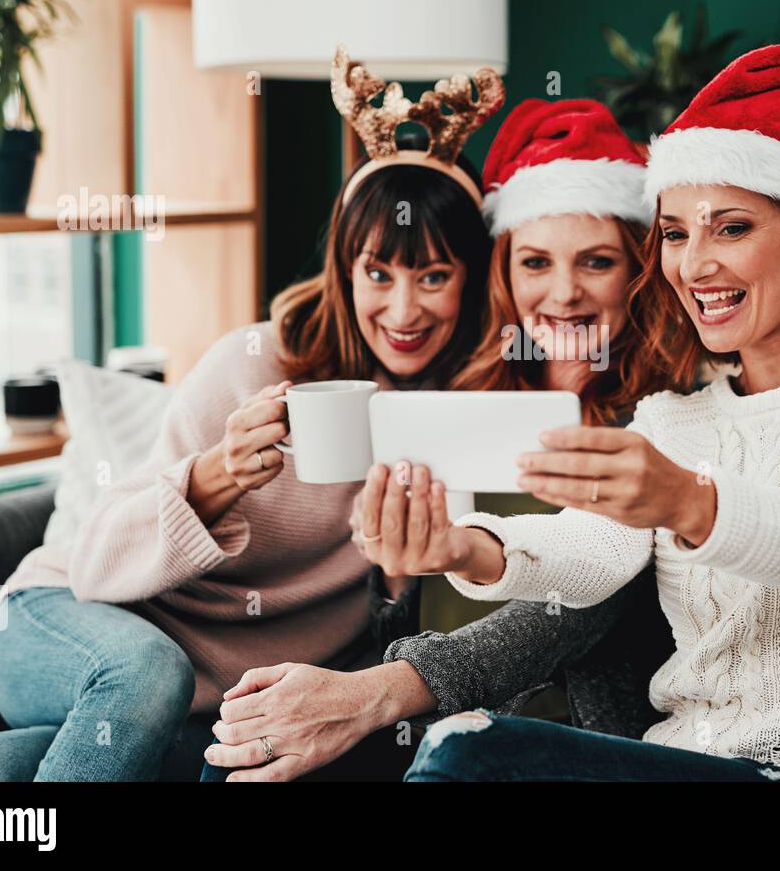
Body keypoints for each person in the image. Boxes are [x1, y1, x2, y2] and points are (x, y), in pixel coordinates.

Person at [370, 44, 780, 782]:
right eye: (674, 233)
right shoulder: (673, 418)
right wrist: (458, 547)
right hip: (691, 762)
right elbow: (589, 556)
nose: (695, 265)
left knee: (469, 754)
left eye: (731, 228)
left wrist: (688, 502)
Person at [0, 47, 501, 782]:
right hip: (63, 620)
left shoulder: (463, 418)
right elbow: (97, 558)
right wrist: (214, 477)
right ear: (344, 270)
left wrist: (397, 572)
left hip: (203, 703)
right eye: (378, 273)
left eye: (434, 276)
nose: (403, 310)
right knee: (147, 674)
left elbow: (395, 645)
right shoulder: (258, 361)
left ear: (471, 280)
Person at [201, 99, 682, 780]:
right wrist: (400, 569)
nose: (564, 292)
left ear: (637, 268)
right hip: (429, 722)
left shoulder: (663, 414)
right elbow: (409, 618)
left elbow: (577, 605)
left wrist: (373, 692)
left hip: (560, 736)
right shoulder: (468, 393)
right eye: (536, 263)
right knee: (237, 761)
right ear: (505, 273)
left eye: (597, 262)